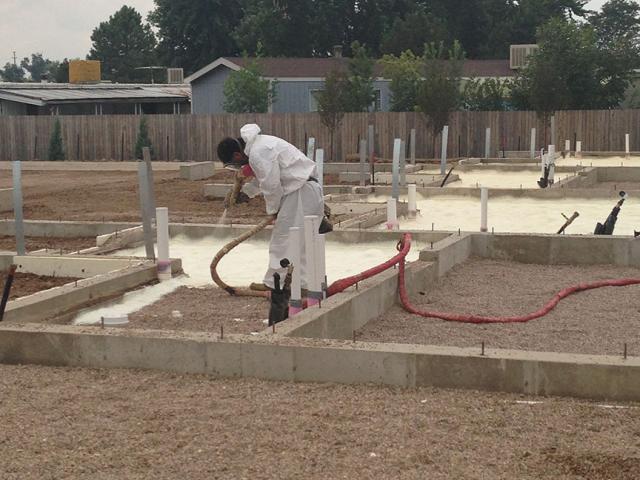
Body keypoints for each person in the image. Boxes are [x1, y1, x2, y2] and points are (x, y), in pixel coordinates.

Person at [217, 123, 330, 291]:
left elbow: (271, 186)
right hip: (304, 190)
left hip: (300, 192)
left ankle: (275, 284)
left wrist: (273, 211)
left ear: (237, 154)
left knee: (283, 239)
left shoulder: (258, 152)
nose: (239, 167)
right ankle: (305, 285)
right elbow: (264, 178)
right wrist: (247, 193)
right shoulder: (261, 145)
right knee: (301, 241)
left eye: (235, 163)